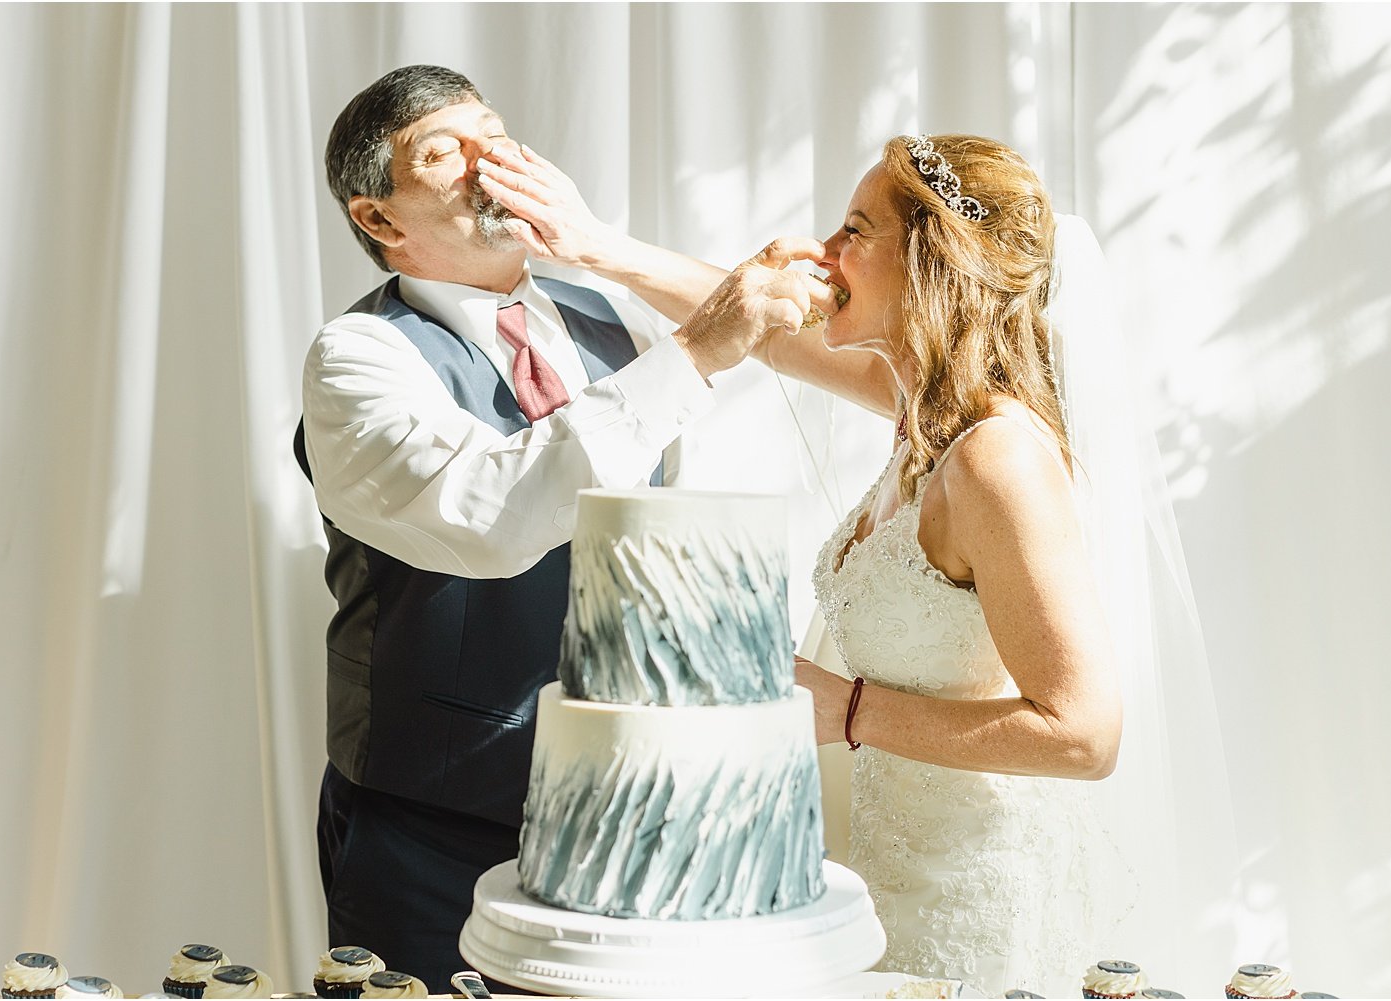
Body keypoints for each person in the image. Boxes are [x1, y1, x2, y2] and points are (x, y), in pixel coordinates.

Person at [488, 131, 1234, 996]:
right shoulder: (922, 414)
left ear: (932, 260)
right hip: (872, 877)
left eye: (854, 229)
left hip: (964, 901)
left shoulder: (997, 456)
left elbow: (1085, 736)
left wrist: (844, 710)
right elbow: (756, 328)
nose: (826, 252)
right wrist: (595, 246)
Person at [297, 64, 838, 990]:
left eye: (493, 132)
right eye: (443, 151)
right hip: (434, 828)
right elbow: (491, 516)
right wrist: (701, 347)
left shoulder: (606, 318)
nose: (488, 162)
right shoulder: (357, 359)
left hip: (634, 814)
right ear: (380, 220)